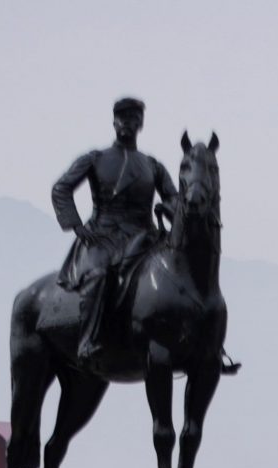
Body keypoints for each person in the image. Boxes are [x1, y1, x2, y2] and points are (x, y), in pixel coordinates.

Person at [52, 95, 180, 366]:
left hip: (144, 238)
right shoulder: (95, 159)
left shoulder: (152, 166)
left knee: (179, 274)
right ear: (114, 122)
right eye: (123, 119)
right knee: (98, 276)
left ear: (141, 124)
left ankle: (204, 346)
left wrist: (170, 208)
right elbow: (61, 188)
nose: (128, 124)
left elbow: (173, 198)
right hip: (102, 236)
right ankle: (87, 341)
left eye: (134, 119)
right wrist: (76, 224)